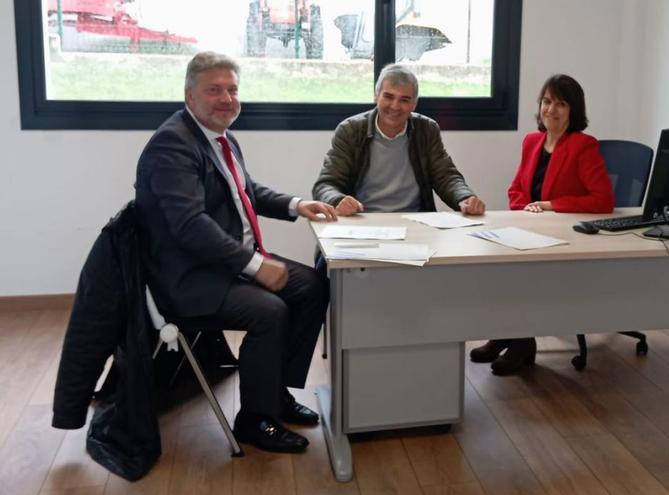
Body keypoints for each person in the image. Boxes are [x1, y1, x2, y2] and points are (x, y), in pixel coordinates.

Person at [135, 52, 338, 454]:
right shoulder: (172, 145)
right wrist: (255, 265)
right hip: (191, 278)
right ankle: (254, 419)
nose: (227, 99)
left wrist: (297, 205)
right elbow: (190, 226)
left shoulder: (217, 136)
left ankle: (274, 392)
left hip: (228, 262)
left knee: (314, 285)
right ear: (189, 95)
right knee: (270, 311)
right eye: (214, 90)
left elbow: (246, 189)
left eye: (232, 89)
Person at [471, 74, 614, 375]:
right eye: (547, 101)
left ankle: (523, 343)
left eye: (561, 104)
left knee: (521, 272)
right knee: (492, 263)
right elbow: (515, 190)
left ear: (573, 110)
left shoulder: (583, 145)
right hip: (528, 228)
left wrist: (550, 206)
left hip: (564, 237)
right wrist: (525, 211)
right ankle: (506, 333)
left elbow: (602, 200)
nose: (551, 109)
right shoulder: (532, 141)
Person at [312, 64, 486, 216]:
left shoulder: (426, 129)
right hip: (363, 221)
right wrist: (337, 200)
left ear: (414, 104)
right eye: (388, 96)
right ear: (376, 95)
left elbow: (446, 176)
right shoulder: (350, 130)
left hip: (414, 222)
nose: (395, 106)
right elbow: (326, 184)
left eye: (404, 100)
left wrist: (465, 198)